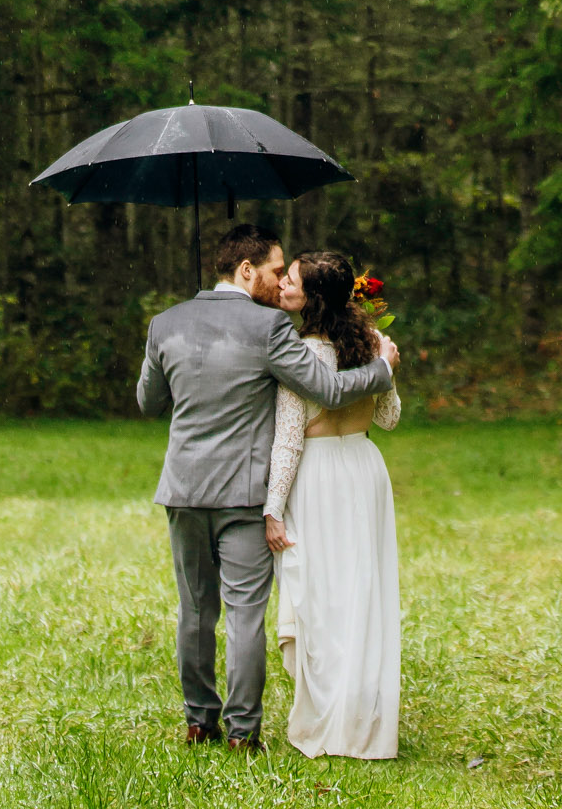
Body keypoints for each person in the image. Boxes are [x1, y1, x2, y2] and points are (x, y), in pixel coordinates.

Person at [136, 223, 399, 752]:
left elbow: (148, 402)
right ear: (247, 268)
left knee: (194, 611)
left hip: (184, 488)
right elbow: (325, 388)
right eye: (276, 269)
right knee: (245, 615)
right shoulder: (269, 330)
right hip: (243, 492)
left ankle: (197, 720)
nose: (281, 282)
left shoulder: (165, 325)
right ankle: (241, 733)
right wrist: (382, 368)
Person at [264, 251, 402, 760]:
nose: (284, 285)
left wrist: (272, 509)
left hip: (317, 478)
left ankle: (328, 717)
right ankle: (363, 717)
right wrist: (389, 368)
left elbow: (288, 441)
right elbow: (389, 419)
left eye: (292, 280)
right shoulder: (372, 347)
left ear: (313, 298)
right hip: (365, 471)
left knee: (321, 598)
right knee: (362, 592)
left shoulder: (302, 356)